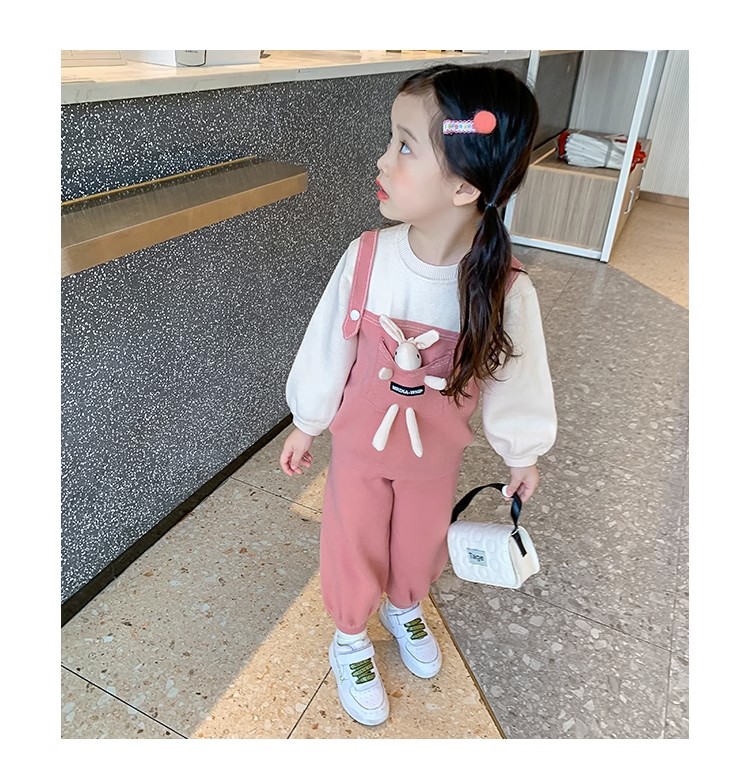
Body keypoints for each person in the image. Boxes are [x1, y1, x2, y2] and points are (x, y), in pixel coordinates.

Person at [279, 63, 556, 727]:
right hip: (359, 451)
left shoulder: (504, 288)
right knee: (353, 537)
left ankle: (405, 604)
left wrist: (522, 453)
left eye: (405, 145)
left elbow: (517, 378)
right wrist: (307, 421)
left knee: (421, 539)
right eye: (392, 139)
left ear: (464, 185)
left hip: (435, 459)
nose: (382, 159)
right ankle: (350, 634)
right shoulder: (368, 257)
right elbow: (328, 345)